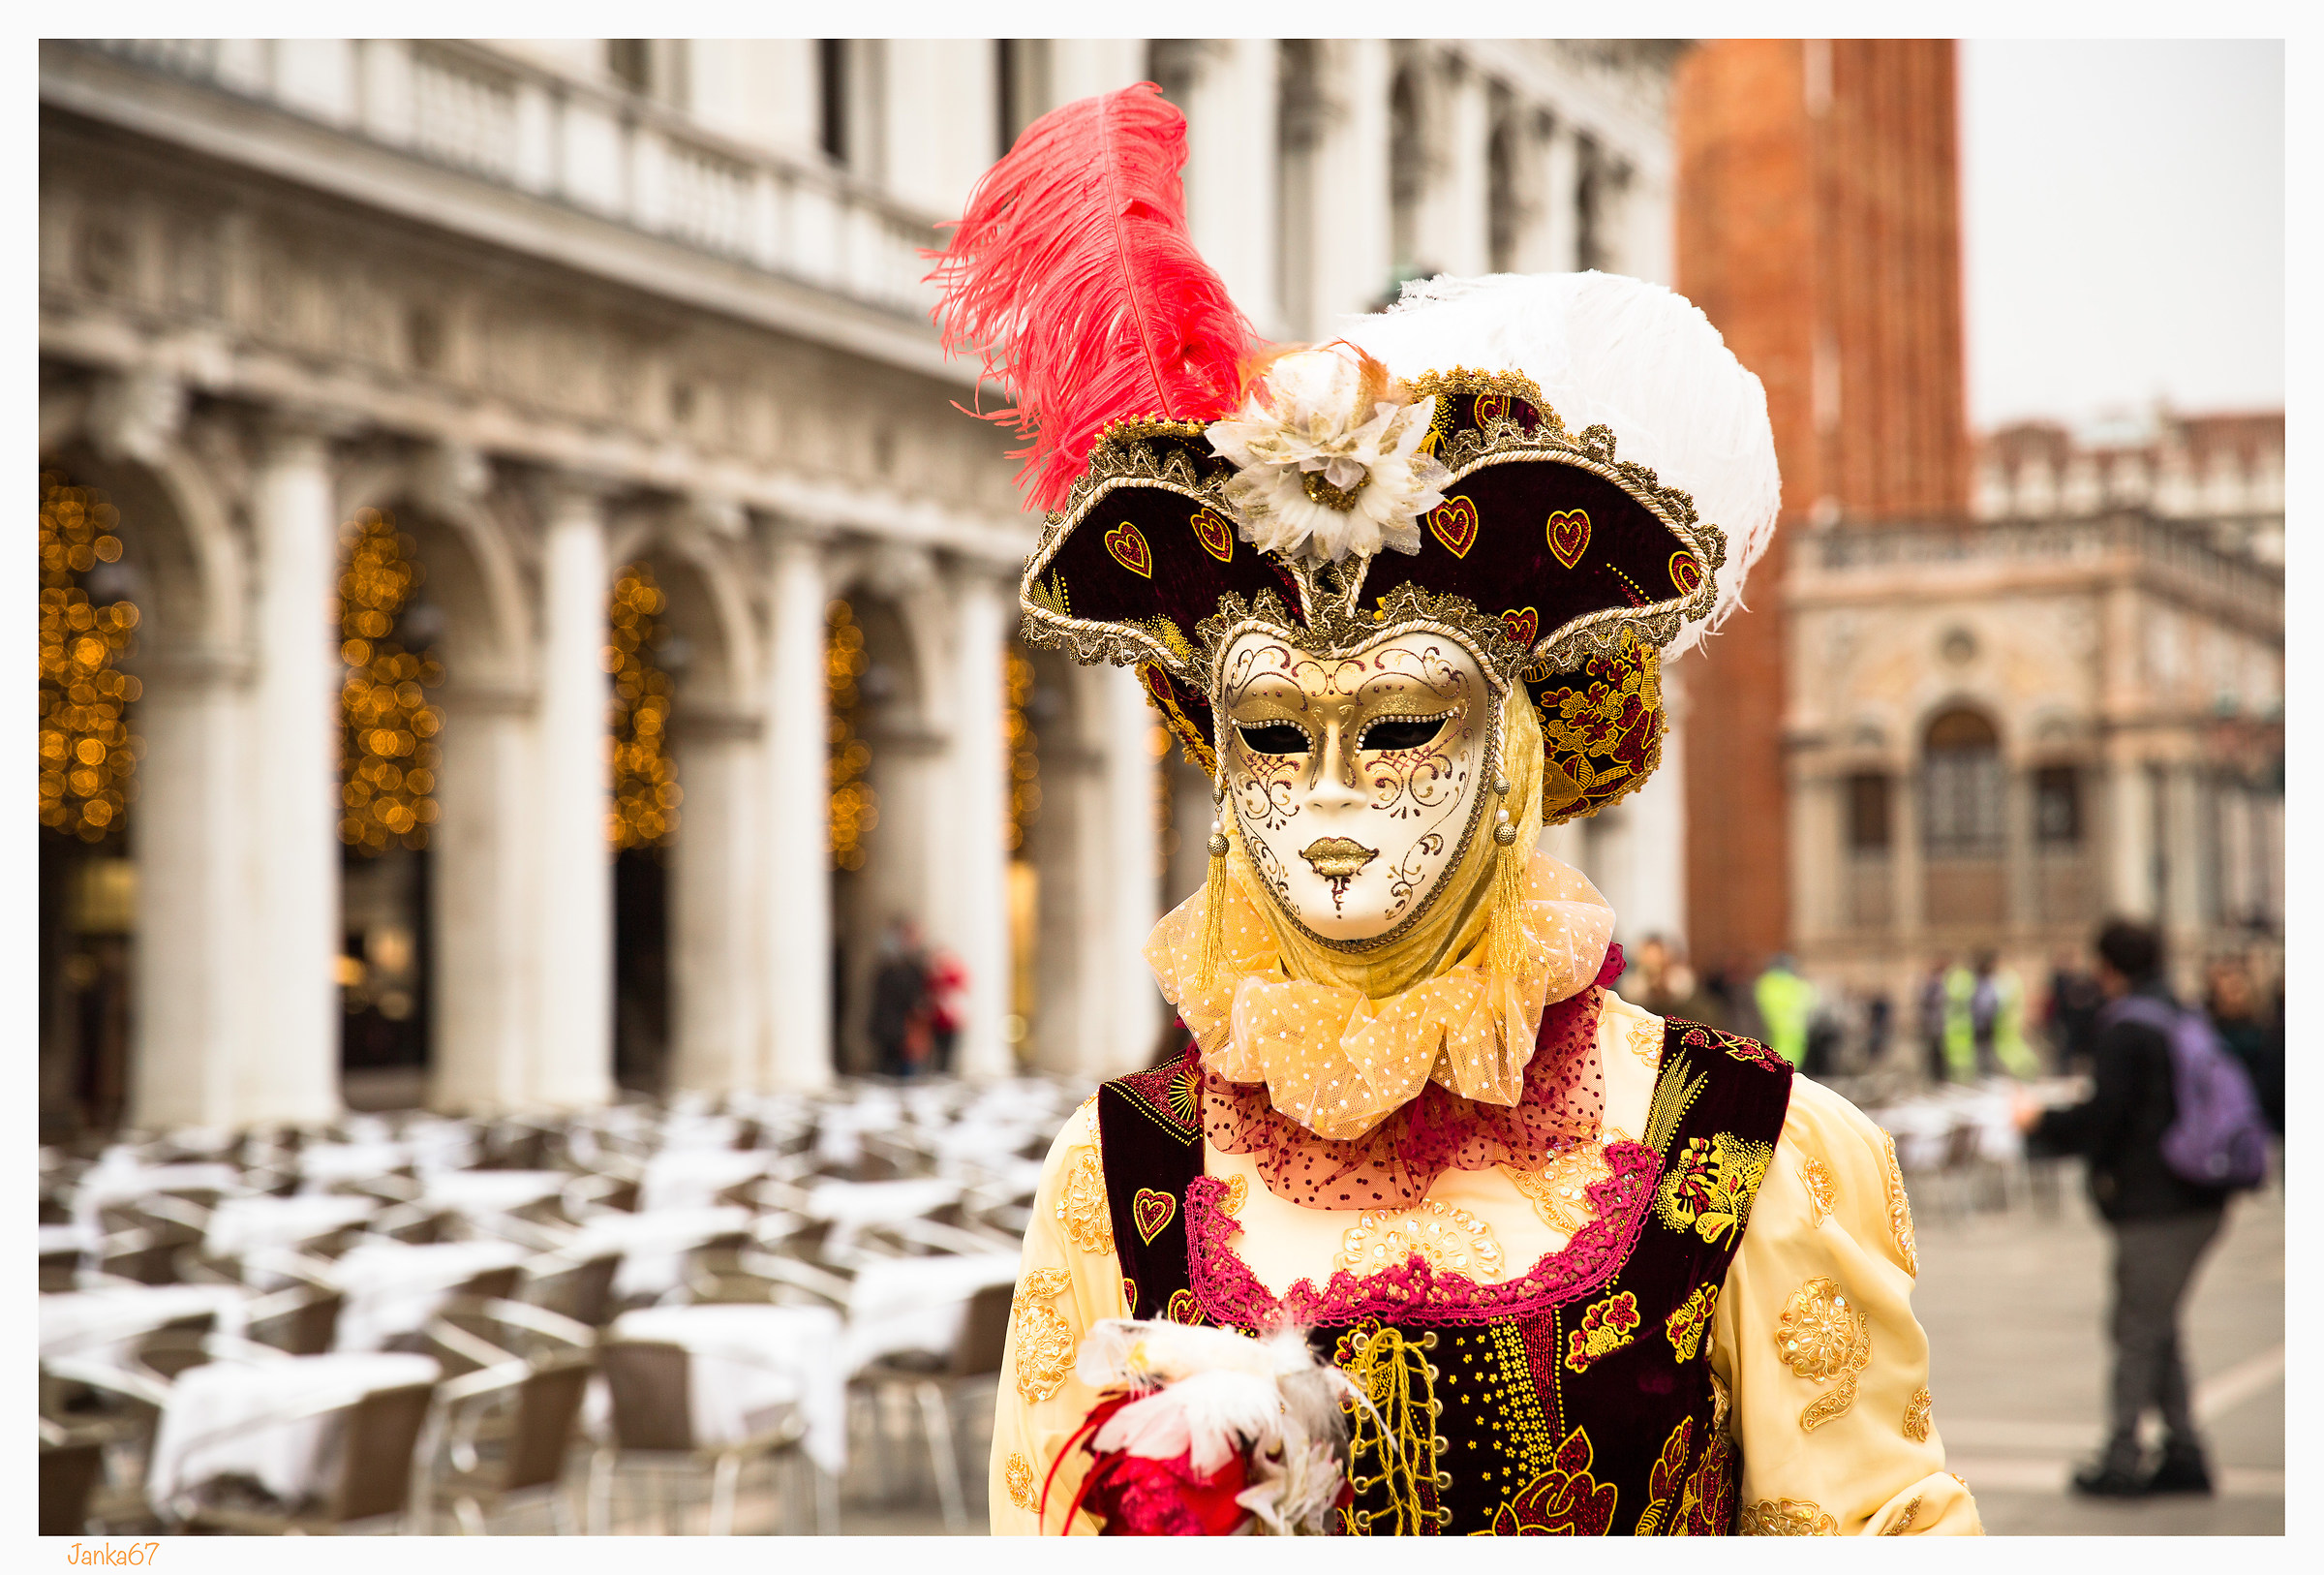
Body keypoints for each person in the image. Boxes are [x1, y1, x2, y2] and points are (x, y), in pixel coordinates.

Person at [934, 83, 1978, 1536]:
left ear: (1520, 755)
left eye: (1406, 725)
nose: (1336, 797)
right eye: (1279, 735)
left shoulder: (1758, 1151)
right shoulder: (1120, 1173)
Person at [2014, 920, 2233, 1498]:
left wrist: (2041, 1123)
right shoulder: (2178, 1012)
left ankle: (2123, 1455)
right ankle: (2184, 1450)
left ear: (2109, 967)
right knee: (2156, 1323)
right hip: (2198, 1193)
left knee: (2135, 1327)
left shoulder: (2128, 1027)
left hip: (2160, 1203)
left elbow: (2103, 1115)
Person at [867, 917, 931, 1079]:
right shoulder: (894, 966)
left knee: (902, 1069)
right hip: (896, 1026)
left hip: (903, 1027)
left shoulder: (913, 964)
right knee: (892, 1069)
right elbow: (902, 994)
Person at [1753, 954, 1819, 1070]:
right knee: (1789, 1055)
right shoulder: (1794, 983)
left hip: (1771, 1027)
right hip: (1791, 1027)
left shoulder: (1765, 982)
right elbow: (1809, 1000)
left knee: (1773, 1054)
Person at [1917, 957, 1951, 1086]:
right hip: (1934, 1027)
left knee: (1940, 1055)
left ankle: (1941, 1079)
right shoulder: (1933, 985)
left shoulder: (1942, 984)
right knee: (1934, 1055)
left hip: (1940, 1027)